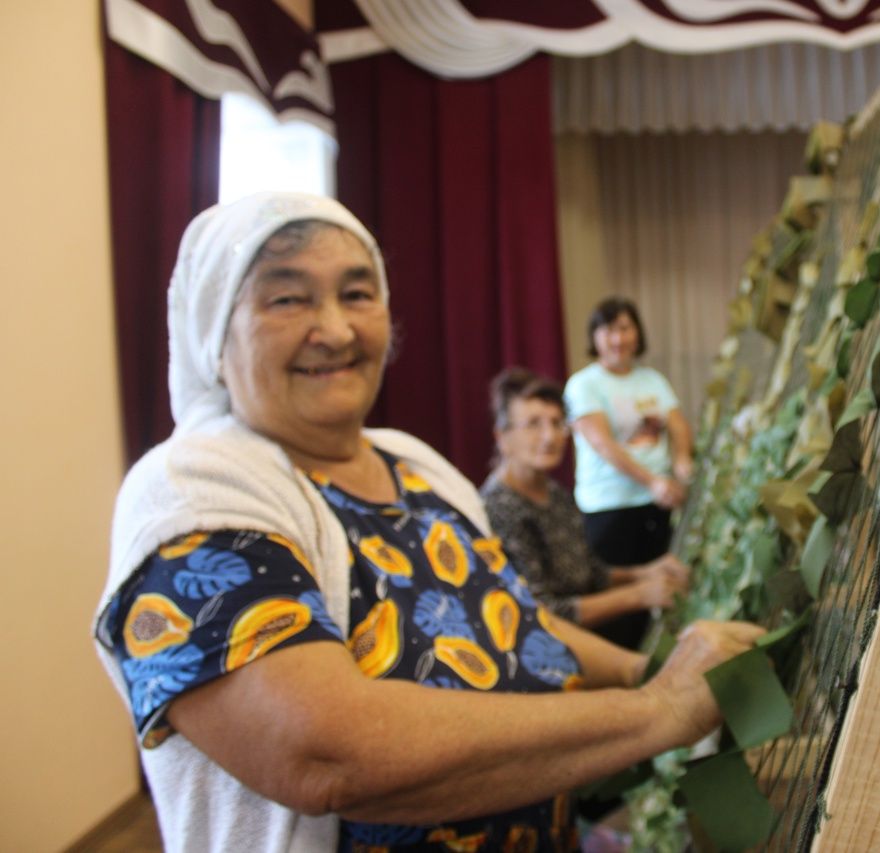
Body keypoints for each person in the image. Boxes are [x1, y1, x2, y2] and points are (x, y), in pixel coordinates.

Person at [92, 192, 762, 852]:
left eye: (357, 293)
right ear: (214, 331)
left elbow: (510, 617)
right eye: (287, 298)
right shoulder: (189, 494)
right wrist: (656, 710)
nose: (336, 329)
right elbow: (325, 753)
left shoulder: (415, 464)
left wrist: (649, 670)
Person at [481, 368, 690, 649]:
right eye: (533, 424)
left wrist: (645, 572)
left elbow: (589, 571)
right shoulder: (499, 507)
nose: (549, 436)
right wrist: (640, 594)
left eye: (557, 423)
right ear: (502, 437)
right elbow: (541, 613)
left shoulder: (555, 493)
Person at [564, 298, 694, 578]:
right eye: (609, 330)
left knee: (664, 587)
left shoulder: (653, 380)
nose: (618, 338)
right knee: (623, 599)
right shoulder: (583, 384)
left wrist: (682, 460)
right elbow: (602, 444)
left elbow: (678, 425)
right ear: (595, 337)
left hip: (657, 504)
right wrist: (652, 481)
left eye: (625, 329)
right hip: (611, 506)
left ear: (637, 333)